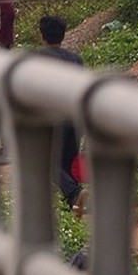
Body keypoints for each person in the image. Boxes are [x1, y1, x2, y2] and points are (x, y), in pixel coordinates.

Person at [39, 15, 88, 216]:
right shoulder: (76, 59)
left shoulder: (36, 58)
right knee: (66, 163)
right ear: (63, 35)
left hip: (52, 118)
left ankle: (76, 193)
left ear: (42, 36)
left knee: (45, 162)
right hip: (75, 119)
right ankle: (75, 208)